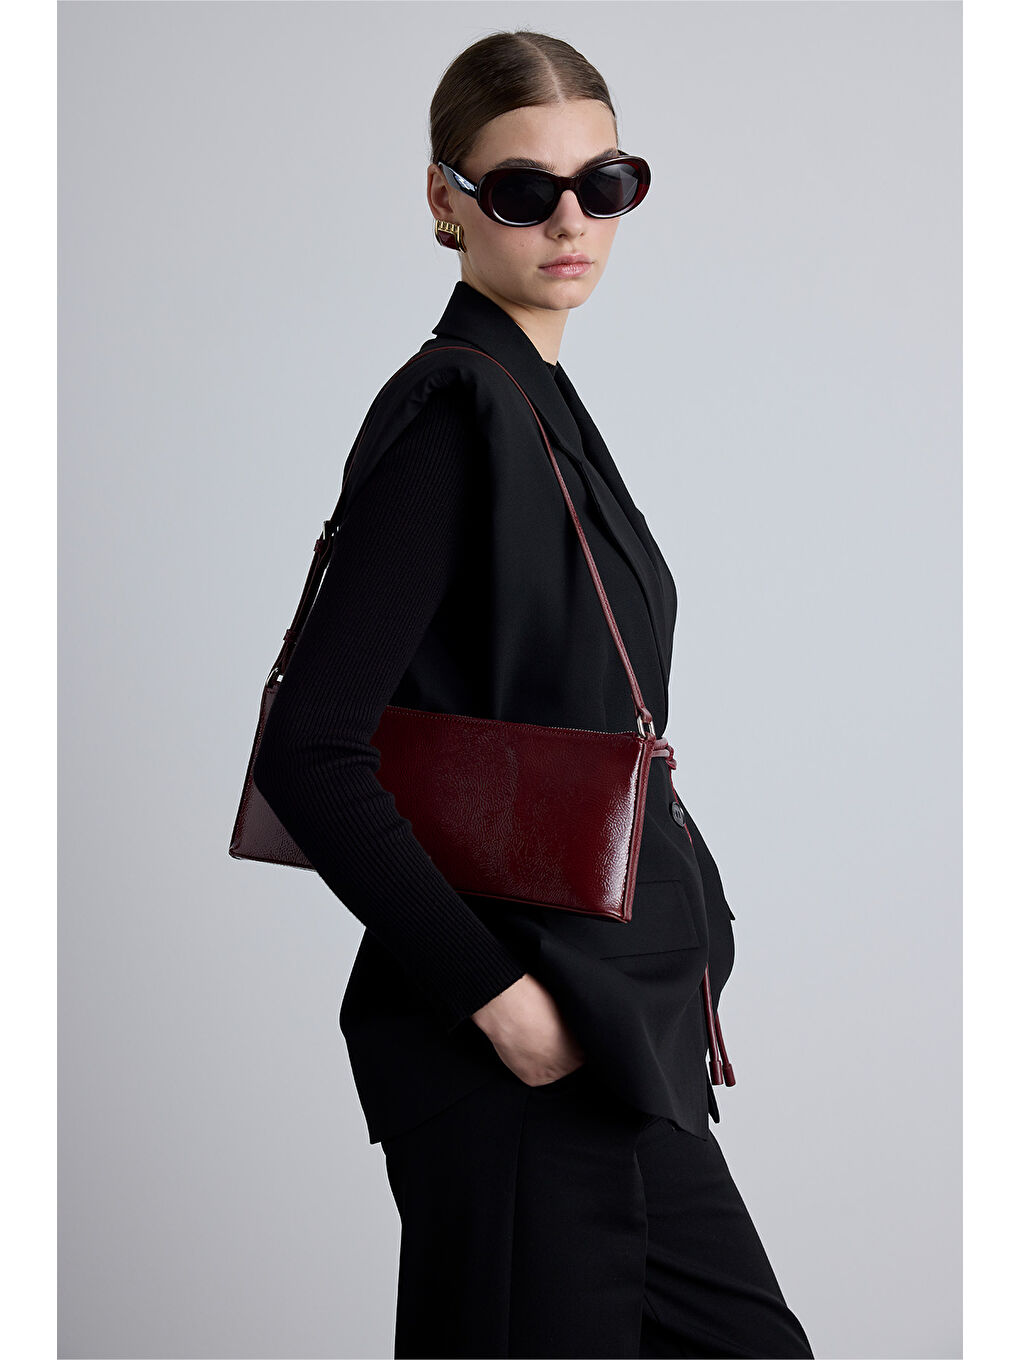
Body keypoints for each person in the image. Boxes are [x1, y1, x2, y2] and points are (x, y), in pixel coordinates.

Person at [252, 28, 815, 1360]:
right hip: (522, 1060)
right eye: (522, 190)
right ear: (445, 199)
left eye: (604, 184)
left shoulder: (536, 404)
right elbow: (310, 752)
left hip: (613, 1047)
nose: (572, 221)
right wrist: (501, 1004)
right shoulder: (457, 416)